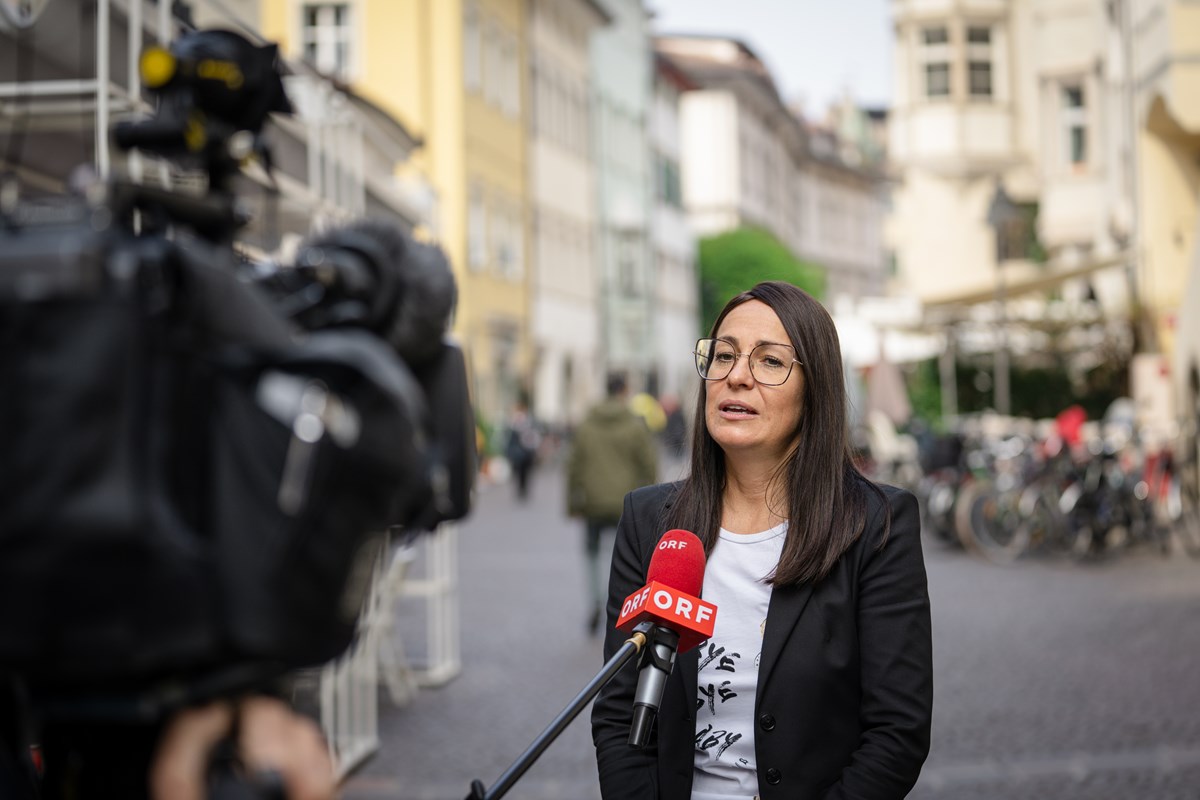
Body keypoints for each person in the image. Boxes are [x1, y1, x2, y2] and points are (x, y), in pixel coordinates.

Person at [591, 282, 932, 799]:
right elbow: (619, 716)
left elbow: (896, 733)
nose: (737, 376)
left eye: (770, 362)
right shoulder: (649, 521)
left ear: (814, 388)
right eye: (723, 355)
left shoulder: (875, 525)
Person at [567, 373, 659, 635]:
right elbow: (648, 465)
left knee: (591, 553)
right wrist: (651, 499)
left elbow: (573, 466)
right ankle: (617, 604)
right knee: (625, 555)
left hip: (593, 502)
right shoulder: (634, 425)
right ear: (624, 390)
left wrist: (572, 503)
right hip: (627, 503)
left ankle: (595, 599)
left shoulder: (586, 423)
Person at [505, 398, 542, 501]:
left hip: (528, 452)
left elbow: (535, 436)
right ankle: (521, 489)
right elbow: (511, 439)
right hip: (519, 453)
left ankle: (524, 489)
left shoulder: (529, 422)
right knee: (519, 473)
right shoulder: (513, 422)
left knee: (526, 472)